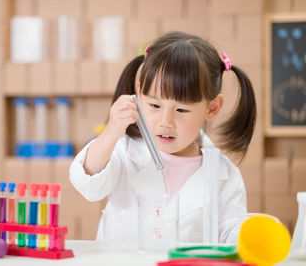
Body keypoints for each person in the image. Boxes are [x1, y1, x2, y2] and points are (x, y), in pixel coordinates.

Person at [69, 31, 256, 243]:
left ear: (212, 108)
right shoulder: (124, 151)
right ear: (139, 94)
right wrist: (111, 132)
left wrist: (249, 235)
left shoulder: (225, 176)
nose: (165, 121)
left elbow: (231, 233)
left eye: (182, 110)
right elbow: (87, 183)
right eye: (155, 105)